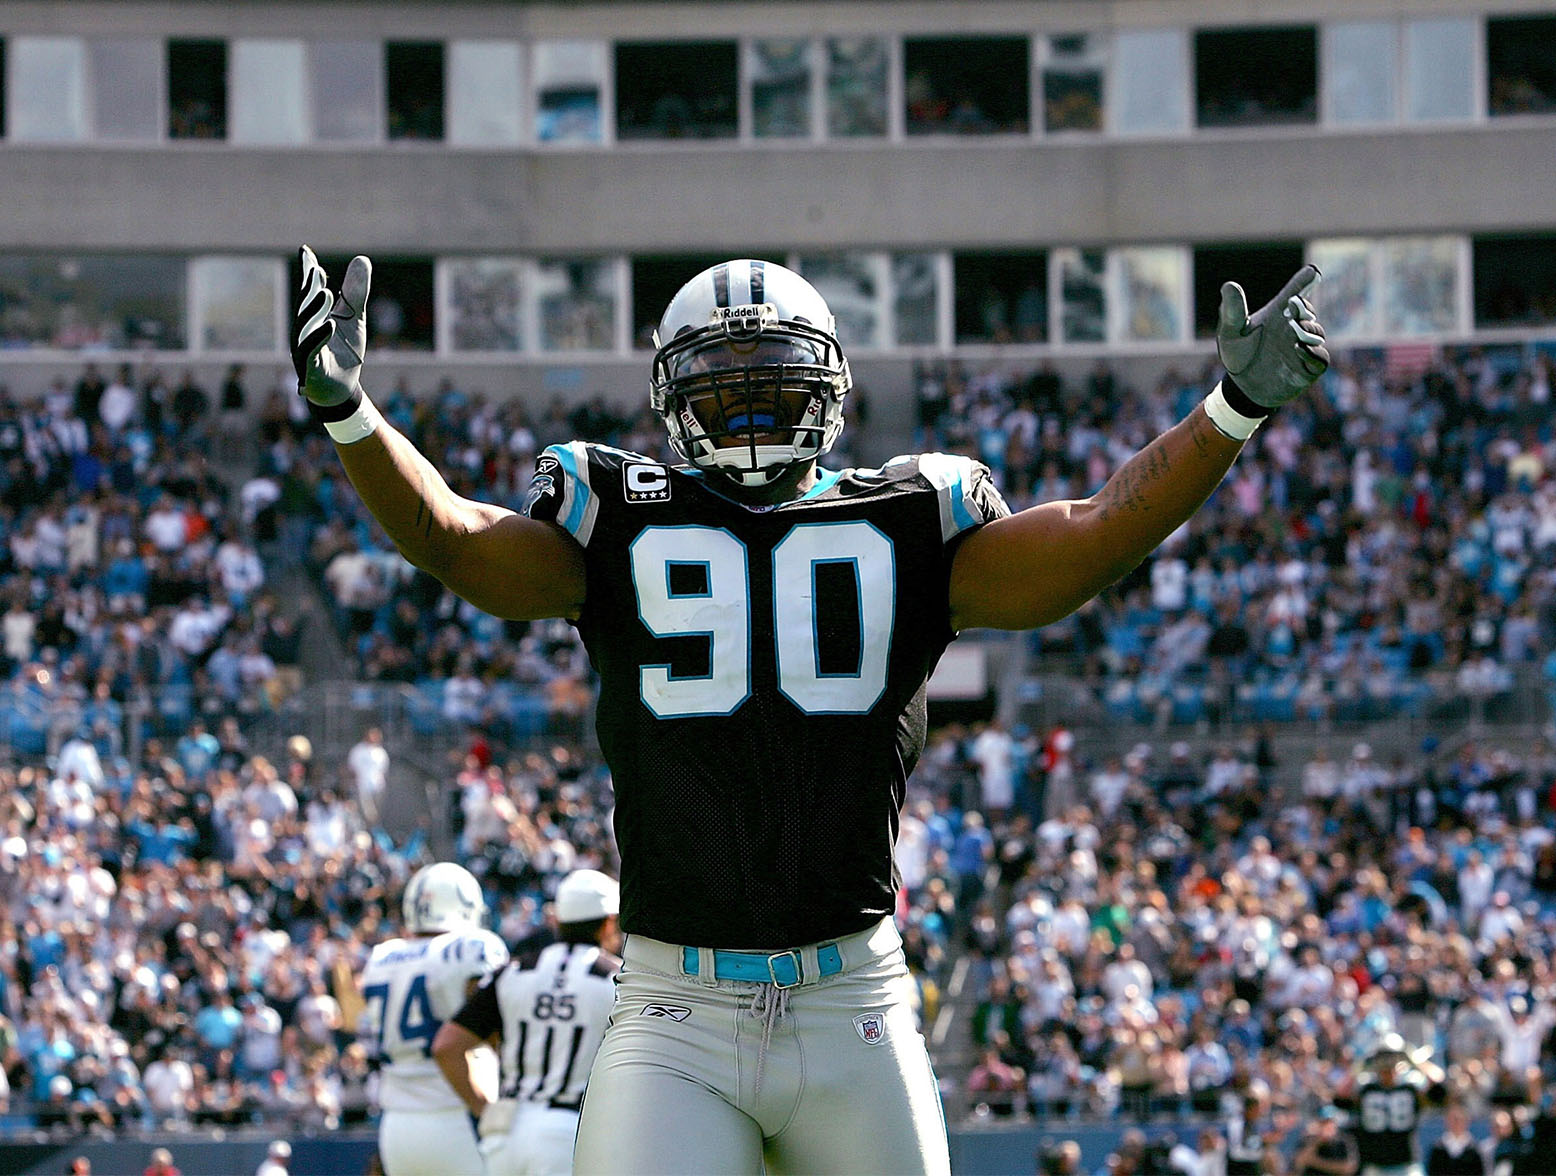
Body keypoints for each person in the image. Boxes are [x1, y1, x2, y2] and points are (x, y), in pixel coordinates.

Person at [294, 248, 1328, 1175]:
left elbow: (1097, 534)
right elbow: (457, 540)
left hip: (853, 1001)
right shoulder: (616, 511)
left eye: (771, 386)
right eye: (722, 389)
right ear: (669, 396)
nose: (747, 412)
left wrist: (1228, 409)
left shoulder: (906, 513)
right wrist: (350, 413)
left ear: (828, 389)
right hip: (671, 1009)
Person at [432, 869, 623, 1176]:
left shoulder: (512, 972)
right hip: (572, 1131)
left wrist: (483, 1109)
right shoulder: (618, 980)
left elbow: (447, 1047)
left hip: (507, 1131)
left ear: (558, 920)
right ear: (608, 922)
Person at [358, 861, 510, 1176]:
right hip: (456, 1114)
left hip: (396, 1126)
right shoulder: (470, 948)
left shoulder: (382, 956)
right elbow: (495, 1032)